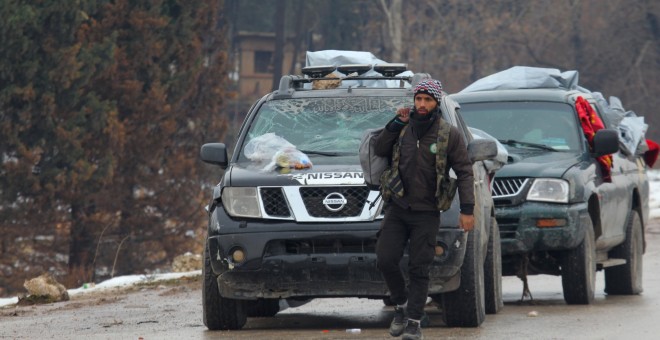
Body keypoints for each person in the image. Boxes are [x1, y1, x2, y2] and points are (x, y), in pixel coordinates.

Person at [374, 79, 475, 340]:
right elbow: (380, 148)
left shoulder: (448, 134)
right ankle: (402, 305)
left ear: (435, 102)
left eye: (427, 100)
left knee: (420, 268)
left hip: (427, 212)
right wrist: (395, 123)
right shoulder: (402, 128)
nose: (421, 104)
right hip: (397, 208)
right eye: (418, 99)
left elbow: (464, 172)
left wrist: (467, 209)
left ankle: (414, 322)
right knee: (385, 258)